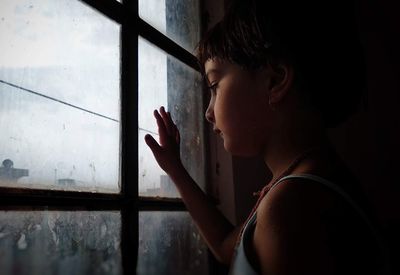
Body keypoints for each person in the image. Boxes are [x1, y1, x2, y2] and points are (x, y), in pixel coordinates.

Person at [144, 0, 391, 274]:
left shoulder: (291, 207)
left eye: (215, 85)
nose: (208, 112)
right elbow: (229, 247)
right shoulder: (303, 183)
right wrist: (176, 170)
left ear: (275, 81)